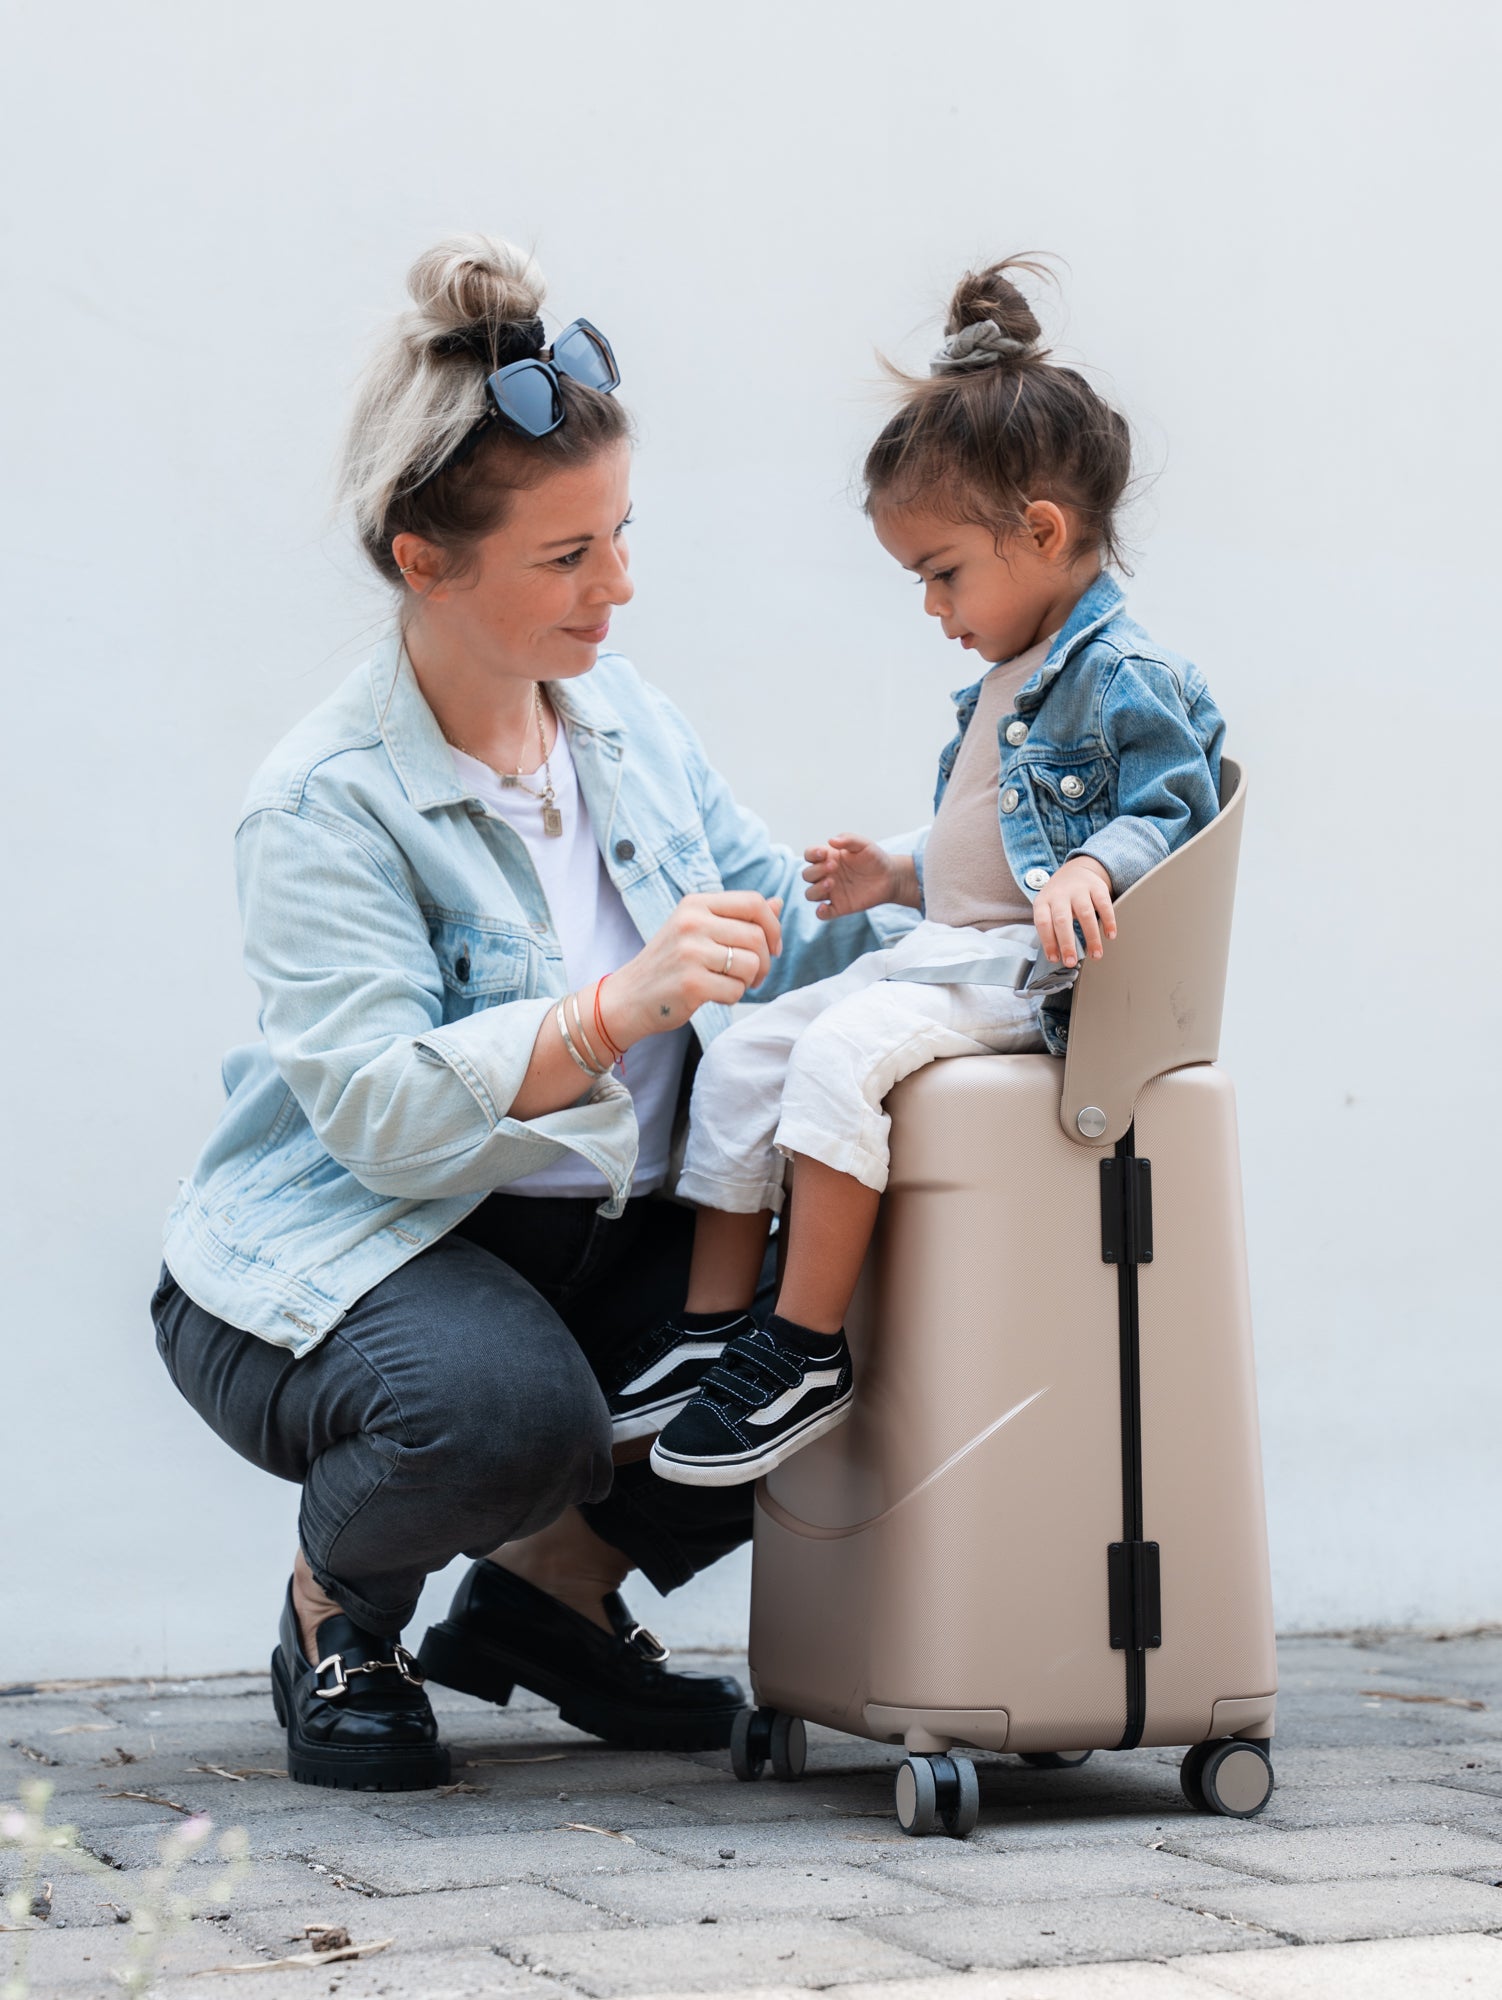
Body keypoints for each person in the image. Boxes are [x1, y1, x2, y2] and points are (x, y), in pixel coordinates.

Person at [149, 233, 913, 1791]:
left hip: (604, 1239)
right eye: (567, 557)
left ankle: (551, 1602)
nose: (617, 587)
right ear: (423, 560)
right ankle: (339, 1616)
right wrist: (610, 1010)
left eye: (619, 536)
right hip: (367, 1252)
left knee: (861, 1307)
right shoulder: (325, 803)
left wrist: (975, 915)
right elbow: (376, 1115)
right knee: (503, 1413)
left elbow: (768, 935)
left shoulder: (622, 719)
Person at [632, 258, 1227, 1487]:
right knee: (746, 1048)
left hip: (1023, 973)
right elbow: (983, 851)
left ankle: (801, 1345)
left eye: (940, 571)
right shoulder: (1007, 679)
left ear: (1041, 533)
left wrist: (1097, 869)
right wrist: (894, 869)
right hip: (950, 950)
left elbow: (1175, 804)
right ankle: (709, 1329)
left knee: (839, 1054)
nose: (930, 605)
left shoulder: (1123, 675)